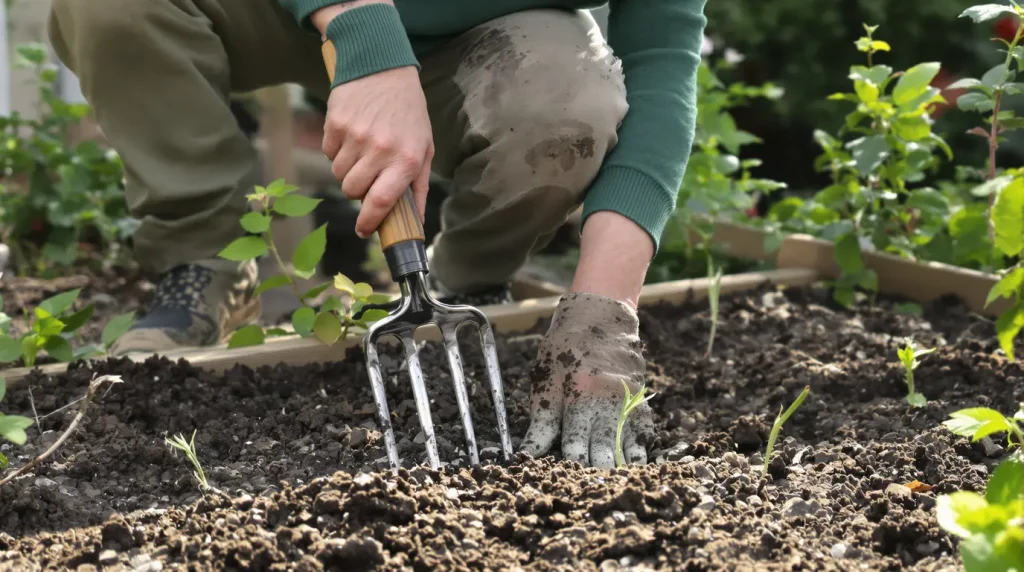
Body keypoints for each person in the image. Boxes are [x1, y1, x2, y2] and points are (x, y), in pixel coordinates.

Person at [47, 0, 707, 468]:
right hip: (279, 12)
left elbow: (662, 58)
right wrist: (364, 35)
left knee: (571, 111)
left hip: (482, 34)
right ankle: (210, 266)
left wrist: (604, 314)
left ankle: (466, 280)